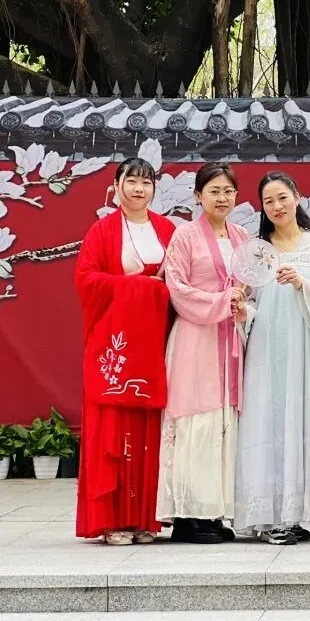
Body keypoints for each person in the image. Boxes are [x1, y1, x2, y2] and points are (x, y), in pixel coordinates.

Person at [74, 158, 176, 545]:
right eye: (130, 181)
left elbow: (179, 280)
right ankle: (113, 519)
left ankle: (145, 518)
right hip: (114, 345)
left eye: (146, 182)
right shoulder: (101, 231)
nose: (138, 189)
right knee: (114, 429)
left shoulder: (167, 230)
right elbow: (87, 280)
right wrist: (140, 285)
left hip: (154, 342)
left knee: (150, 431)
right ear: (116, 186)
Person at [233, 172, 310, 544]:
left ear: (297, 196)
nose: (277, 206)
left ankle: (296, 514)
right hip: (267, 349)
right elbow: (250, 301)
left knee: (303, 421)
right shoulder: (257, 250)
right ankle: (267, 515)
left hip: (306, 348)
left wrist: (303, 283)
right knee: (266, 421)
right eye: (268, 202)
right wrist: (242, 312)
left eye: (282, 197)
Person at [158, 161, 249, 543]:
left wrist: (242, 305)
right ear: (198, 196)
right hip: (195, 338)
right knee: (195, 422)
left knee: (221, 424)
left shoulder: (243, 237)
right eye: (214, 191)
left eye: (228, 191)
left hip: (228, 339)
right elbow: (176, 287)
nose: (222, 198)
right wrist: (222, 301)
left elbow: (251, 285)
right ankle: (187, 515)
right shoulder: (184, 237)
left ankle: (213, 512)